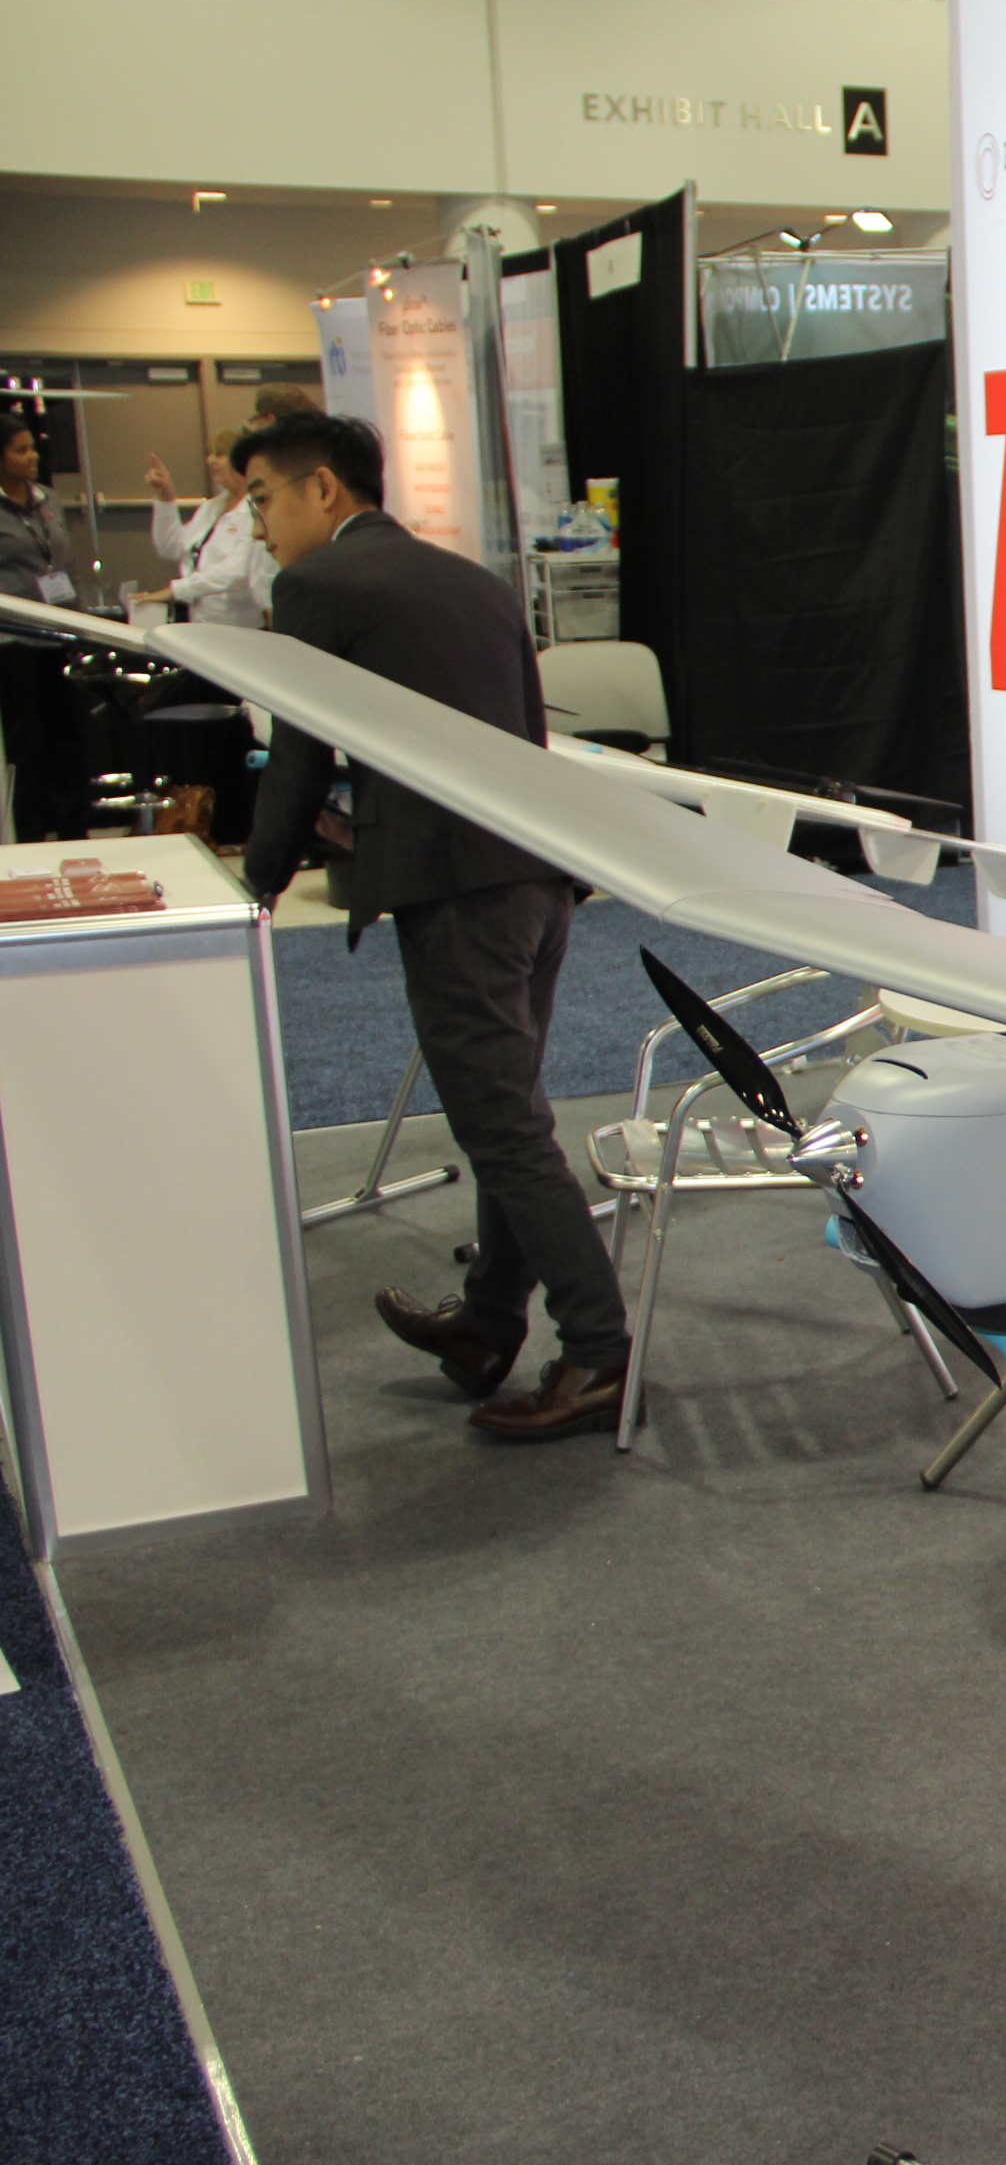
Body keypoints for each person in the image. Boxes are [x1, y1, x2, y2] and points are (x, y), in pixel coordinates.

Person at [234, 410, 634, 1442]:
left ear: (324, 489)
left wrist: (258, 881)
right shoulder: (477, 583)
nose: (259, 527)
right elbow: (521, 739)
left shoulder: (319, 586)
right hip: (536, 880)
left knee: (504, 1128)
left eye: (264, 500)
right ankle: (490, 1323)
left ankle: (599, 1354)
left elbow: (297, 751)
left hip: (462, 898)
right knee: (509, 1114)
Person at [0, 411, 89, 838]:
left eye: (33, 447)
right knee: (27, 744)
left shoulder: (48, 499)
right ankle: (31, 832)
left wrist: (81, 619)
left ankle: (74, 827)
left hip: (59, 633)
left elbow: (65, 562)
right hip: (14, 639)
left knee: (67, 737)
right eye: (21, 450)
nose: (32, 456)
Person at [144, 430, 276, 627]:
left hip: (240, 628)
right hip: (201, 622)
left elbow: (237, 571)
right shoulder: (211, 508)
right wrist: (165, 497)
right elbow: (170, 548)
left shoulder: (257, 511)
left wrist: (177, 590)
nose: (210, 460)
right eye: (211, 453)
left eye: (219, 454)